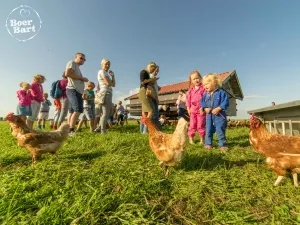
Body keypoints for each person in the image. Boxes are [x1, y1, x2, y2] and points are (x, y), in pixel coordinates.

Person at [201, 73, 229, 151]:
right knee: (208, 130)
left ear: (214, 83)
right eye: (204, 85)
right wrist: (205, 108)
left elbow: (226, 102)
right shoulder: (205, 95)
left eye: (207, 84)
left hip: (220, 116)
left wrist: (219, 108)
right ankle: (208, 143)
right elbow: (202, 103)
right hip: (209, 116)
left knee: (220, 130)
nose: (205, 86)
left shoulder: (221, 93)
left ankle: (222, 144)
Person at [65, 53, 89, 136]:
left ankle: (68, 129)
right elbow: (67, 74)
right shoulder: (72, 63)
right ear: (75, 57)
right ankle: (71, 130)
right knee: (78, 109)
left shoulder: (77, 67)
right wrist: (82, 78)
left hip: (76, 91)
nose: (82, 60)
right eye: (81, 58)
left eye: (84, 59)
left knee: (72, 111)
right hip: (73, 89)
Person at [94, 58, 116, 134]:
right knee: (105, 113)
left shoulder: (107, 74)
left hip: (108, 93)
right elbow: (109, 84)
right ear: (101, 65)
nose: (107, 65)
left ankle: (99, 128)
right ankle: (103, 131)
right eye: (106, 64)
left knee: (108, 112)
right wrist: (110, 82)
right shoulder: (102, 71)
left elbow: (114, 84)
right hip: (105, 93)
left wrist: (113, 76)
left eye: (109, 64)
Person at [186, 70, 206, 145]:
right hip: (193, 111)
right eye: (194, 79)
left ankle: (202, 139)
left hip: (201, 110)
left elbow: (206, 98)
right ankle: (191, 138)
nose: (196, 80)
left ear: (200, 78)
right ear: (191, 81)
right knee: (192, 125)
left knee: (201, 125)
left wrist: (203, 107)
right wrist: (188, 108)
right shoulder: (190, 91)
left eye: (197, 78)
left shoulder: (203, 89)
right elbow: (188, 100)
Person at [149, 66, 161, 130]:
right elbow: (151, 88)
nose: (156, 73)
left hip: (154, 96)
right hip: (153, 97)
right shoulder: (151, 77)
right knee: (155, 113)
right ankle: (154, 128)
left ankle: (155, 128)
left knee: (155, 113)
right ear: (152, 69)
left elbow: (154, 87)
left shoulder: (153, 77)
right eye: (155, 71)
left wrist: (158, 87)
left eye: (157, 72)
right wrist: (156, 98)